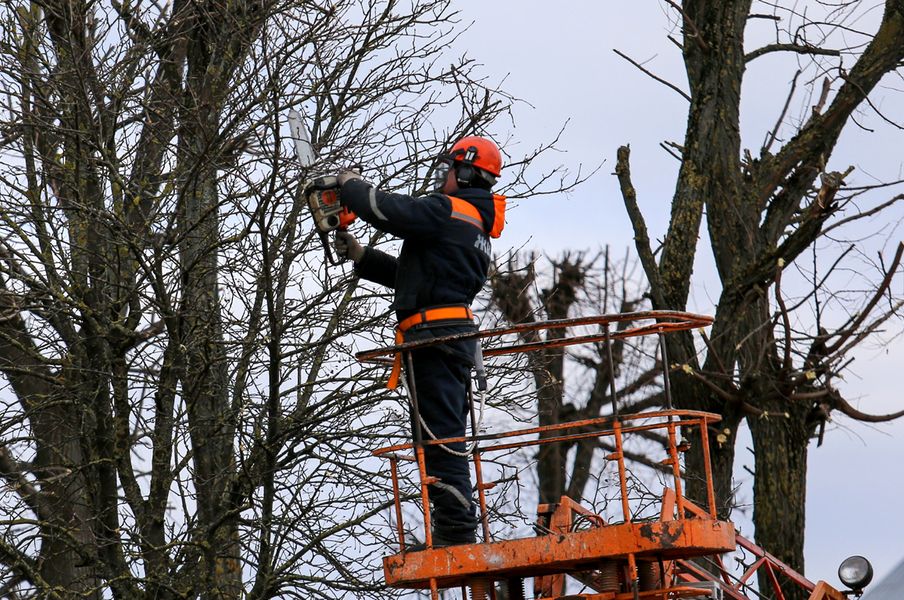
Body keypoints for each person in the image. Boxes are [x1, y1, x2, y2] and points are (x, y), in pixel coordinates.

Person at [333, 136, 505, 547]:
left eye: (448, 168)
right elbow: (419, 281)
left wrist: (349, 185)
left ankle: (458, 533)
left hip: (437, 338)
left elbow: (390, 212)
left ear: (465, 171)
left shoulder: (449, 211)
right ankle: (453, 528)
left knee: (441, 438)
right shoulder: (472, 224)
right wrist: (361, 256)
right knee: (434, 438)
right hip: (440, 334)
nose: (442, 176)